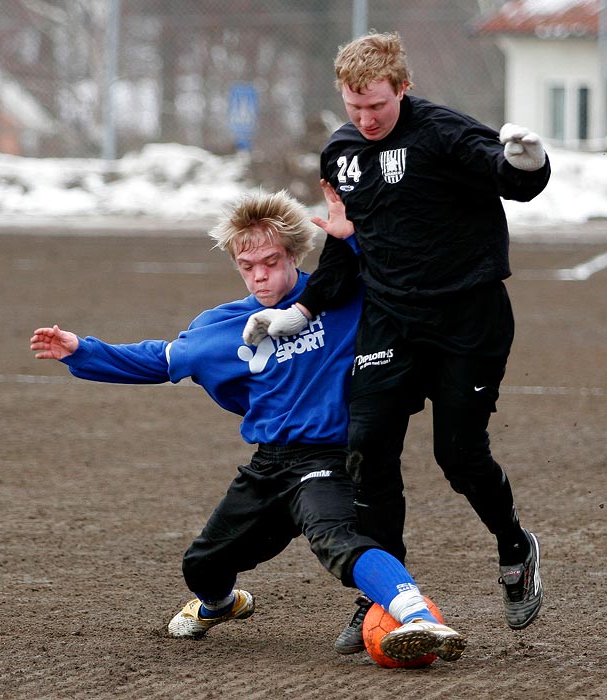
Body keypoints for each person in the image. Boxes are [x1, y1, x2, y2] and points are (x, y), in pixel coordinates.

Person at [30, 189, 467, 665]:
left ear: (295, 255)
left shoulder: (338, 295)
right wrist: (82, 351)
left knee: (336, 540)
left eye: (271, 261)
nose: (260, 275)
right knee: (201, 565)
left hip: (327, 458)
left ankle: (417, 614)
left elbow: (399, 269)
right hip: (268, 465)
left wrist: (354, 237)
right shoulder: (222, 326)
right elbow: (161, 358)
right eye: (247, 265)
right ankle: (222, 605)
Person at [243, 32, 548, 654]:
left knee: (459, 457)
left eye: (376, 106)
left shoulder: (443, 132)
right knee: (367, 447)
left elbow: (510, 181)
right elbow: (349, 245)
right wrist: (302, 307)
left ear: (402, 89)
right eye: (354, 108)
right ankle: (385, 593)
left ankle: (515, 548)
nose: (366, 119)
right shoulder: (342, 153)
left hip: (470, 318)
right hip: (390, 321)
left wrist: (528, 162)